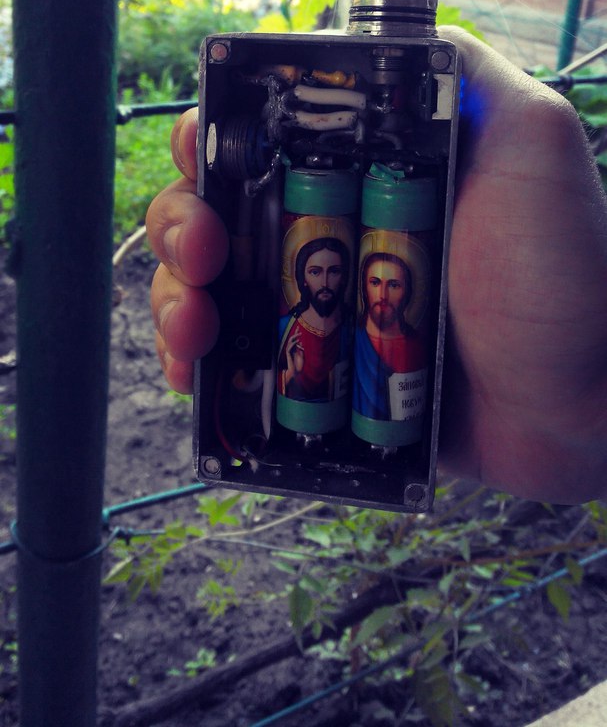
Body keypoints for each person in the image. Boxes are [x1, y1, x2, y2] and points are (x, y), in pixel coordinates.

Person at [146, 27, 607, 504]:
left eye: (390, 282)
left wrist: (586, 412)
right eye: (316, 273)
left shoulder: (398, 340)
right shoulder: (292, 333)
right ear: (303, 277)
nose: (331, 284)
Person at [353, 252, 426, 420]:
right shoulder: (354, 339)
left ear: (406, 293)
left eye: (394, 285)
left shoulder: (416, 348)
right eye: (375, 283)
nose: (382, 295)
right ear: (364, 288)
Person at [277, 237, 350, 401]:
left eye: (334, 271)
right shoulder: (286, 326)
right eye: (315, 272)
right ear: (303, 278)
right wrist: (290, 373)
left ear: (344, 277)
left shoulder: (348, 326)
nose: (324, 283)